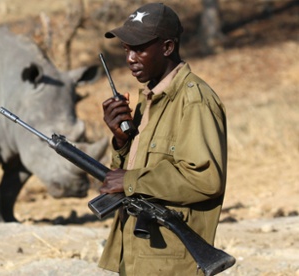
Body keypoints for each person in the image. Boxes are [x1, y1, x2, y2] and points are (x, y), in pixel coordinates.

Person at [98, 3, 228, 275]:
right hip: (137, 256)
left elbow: (205, 180)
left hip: (170, 262)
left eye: (139, 48)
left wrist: (130, 180)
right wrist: (121, 142)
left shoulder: (194, 100)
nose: (130, 58)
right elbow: (128, 176)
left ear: (167, 47)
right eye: (126, 49)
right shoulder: (149, 101)